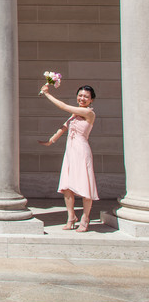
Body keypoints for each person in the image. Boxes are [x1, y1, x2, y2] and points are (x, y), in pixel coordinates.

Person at [39, 83, 98, 232]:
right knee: (66, 186)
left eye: (86, 96)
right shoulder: (75, 114)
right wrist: (50, 141)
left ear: (91, 100)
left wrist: (47, 94)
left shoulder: (89, 113)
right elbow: (64, 127)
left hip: (81, 151)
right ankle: (71, 216)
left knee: (85, 186)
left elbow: (63, 106)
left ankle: (85, 218)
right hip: (70, 152)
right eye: (80, 95)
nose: (82, 98)